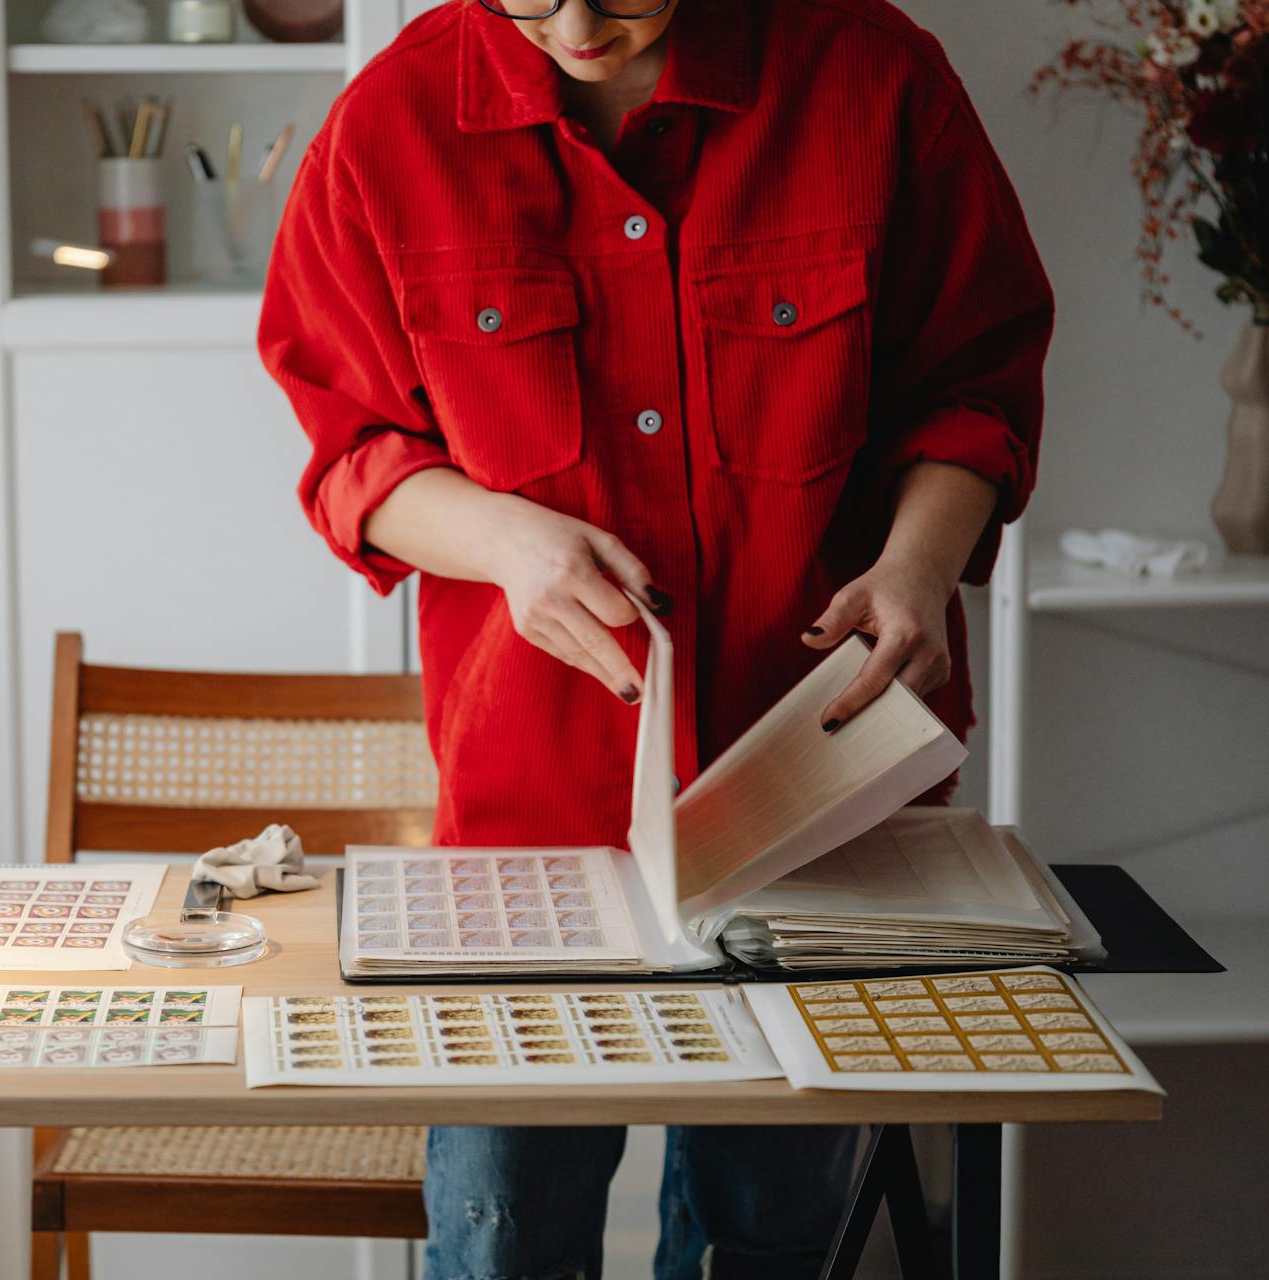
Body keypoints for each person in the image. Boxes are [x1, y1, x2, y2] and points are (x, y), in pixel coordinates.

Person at [258, 0, 1052, 1275]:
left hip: (816, 812)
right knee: (502, 1238)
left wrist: (917, 563)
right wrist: (507, 541)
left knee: (769, 1244)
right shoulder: (389, 126)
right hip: (525, 833)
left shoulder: (874, 83)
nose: (575, 22)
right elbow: (352, 450)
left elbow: (975, 386)